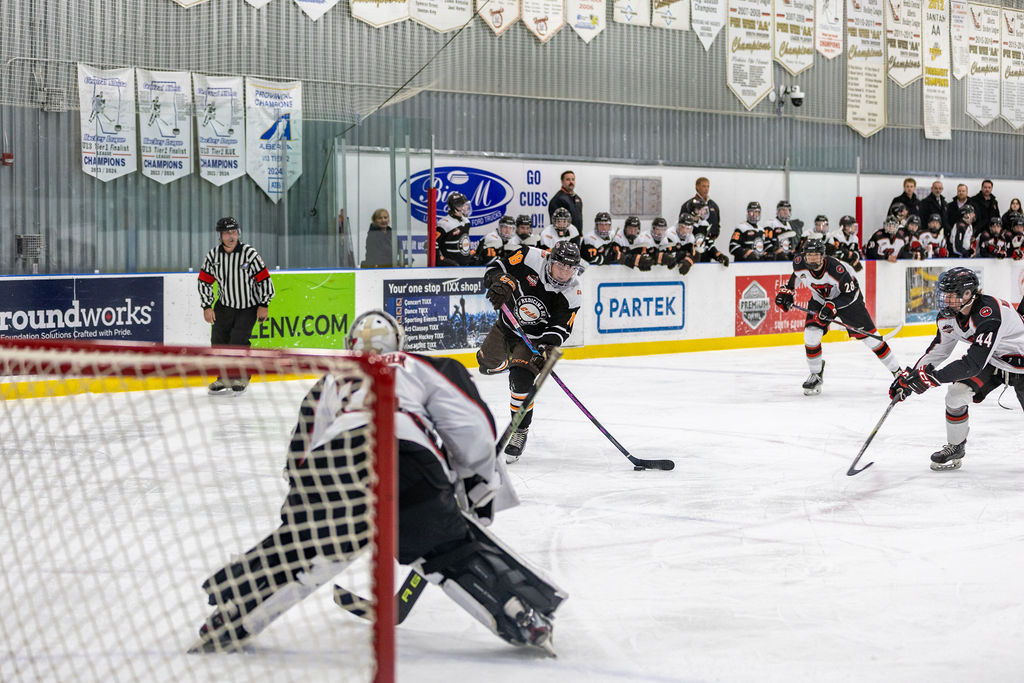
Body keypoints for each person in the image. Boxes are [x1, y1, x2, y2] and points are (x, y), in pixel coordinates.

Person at [189, 310, 565, 655]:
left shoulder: (332, 379)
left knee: (309, 548)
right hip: (405, 461)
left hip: (330, 465)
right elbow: (473, 428)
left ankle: (233, 611)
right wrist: (478, 492)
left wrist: (302, 515)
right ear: (399, 343)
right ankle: (520, 615)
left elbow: (298, 454)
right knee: (446, 551)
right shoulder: (421, 366)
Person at [888, 267, 1024, 471]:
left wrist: (933, 378)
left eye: (952, 296)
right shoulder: (948, 318)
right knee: (955, 395)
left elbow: (972, 364)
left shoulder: (989, 314)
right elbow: (937, 352)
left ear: (968, 294)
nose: (946, 300)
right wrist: (912, 377)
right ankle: (956, 446)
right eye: (945, 295)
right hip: (994, 362)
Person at [477, 242, 583, 463]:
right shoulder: (528, 256)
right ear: (550, 261)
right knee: (485, 363)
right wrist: (501, 282)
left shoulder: (573, 291)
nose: (565, 273)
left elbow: (561, 327)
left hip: (533, 340)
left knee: (520, 382)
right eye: (561, 266)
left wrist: (546, 347)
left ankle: (520, 430)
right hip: (507, 326)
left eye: (570, 269)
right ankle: (508, 361)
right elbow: (495, 269)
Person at [775, 236, 902, 395]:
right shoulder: (799, 263)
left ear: (823, 256)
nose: (812, 259)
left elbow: (850, 294)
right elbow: (797, 276)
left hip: (849, 301)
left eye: (816, 256)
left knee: (871, 339)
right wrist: (787, 291)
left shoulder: (837, 269)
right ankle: (815, 374)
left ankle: (898, 372)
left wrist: (833, 305)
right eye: (809, 255)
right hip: (820, 300)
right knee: (811, 335)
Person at [198, 216, 275, 395]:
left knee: (238, 342)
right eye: (227, 233)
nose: (231, 236)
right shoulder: (213, 256)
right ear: (220, 235)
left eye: (234, 232)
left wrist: (264, 304)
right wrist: (207, 306)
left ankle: (241, 376)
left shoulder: (250, 254)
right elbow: (204, 281)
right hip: (223, 306)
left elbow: (264, 279)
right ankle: (223, 377)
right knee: (218, 343)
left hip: (248, 306)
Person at [435, 192, 474, 266]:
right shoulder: (444, 223)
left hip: (465, 265)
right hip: (451, 268)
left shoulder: (466, 221)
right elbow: (434, 243)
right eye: (464, 205)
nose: (466, 207)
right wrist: (440, 259)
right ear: (456, 206)